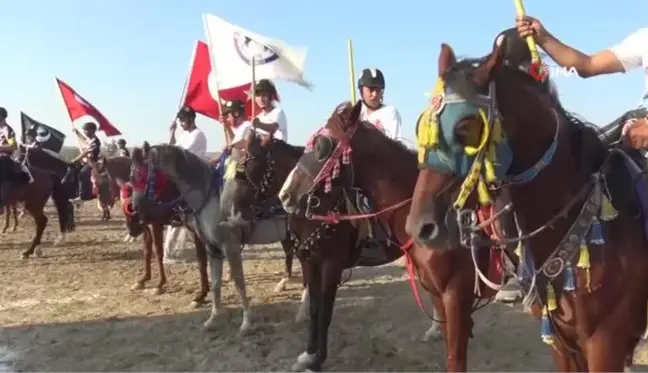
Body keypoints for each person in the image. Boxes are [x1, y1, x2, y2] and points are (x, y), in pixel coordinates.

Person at [515, 16, 648, 148]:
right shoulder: (644, 38)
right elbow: (588, 65)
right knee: (584, 155)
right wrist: (543, 38)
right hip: (639, 124)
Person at [163, 106, 208, 264]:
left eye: (184, 120)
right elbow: (172, 148)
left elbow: (179, 154)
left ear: (192, 119)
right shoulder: (184, 135)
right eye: (180, 120)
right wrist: (172, 133)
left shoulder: (198, 135)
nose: (182, 123)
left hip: (194, 177)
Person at [357, 68, 402, 140]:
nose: (375, 94)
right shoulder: (356, 114)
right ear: (361, 91)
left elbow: (396, 143)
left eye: (378, 90)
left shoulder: (390, 112)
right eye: (370, 90)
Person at [70, 122, 101, 202]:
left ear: (92, 130)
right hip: (85, 162)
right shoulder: (90, 139)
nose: (84, 132)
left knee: (82, 174)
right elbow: (84, 140)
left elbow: (86, 153)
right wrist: (77, 132)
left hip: (92, 163)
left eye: (86, 130)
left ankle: (82, 196)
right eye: (84, 130)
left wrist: (75, 160)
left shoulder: (95, 141)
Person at [0, 107, 18, 214]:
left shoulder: (7, 130)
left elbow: (14, 146)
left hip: (4, 158)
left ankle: (1, 205)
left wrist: (1, 148)